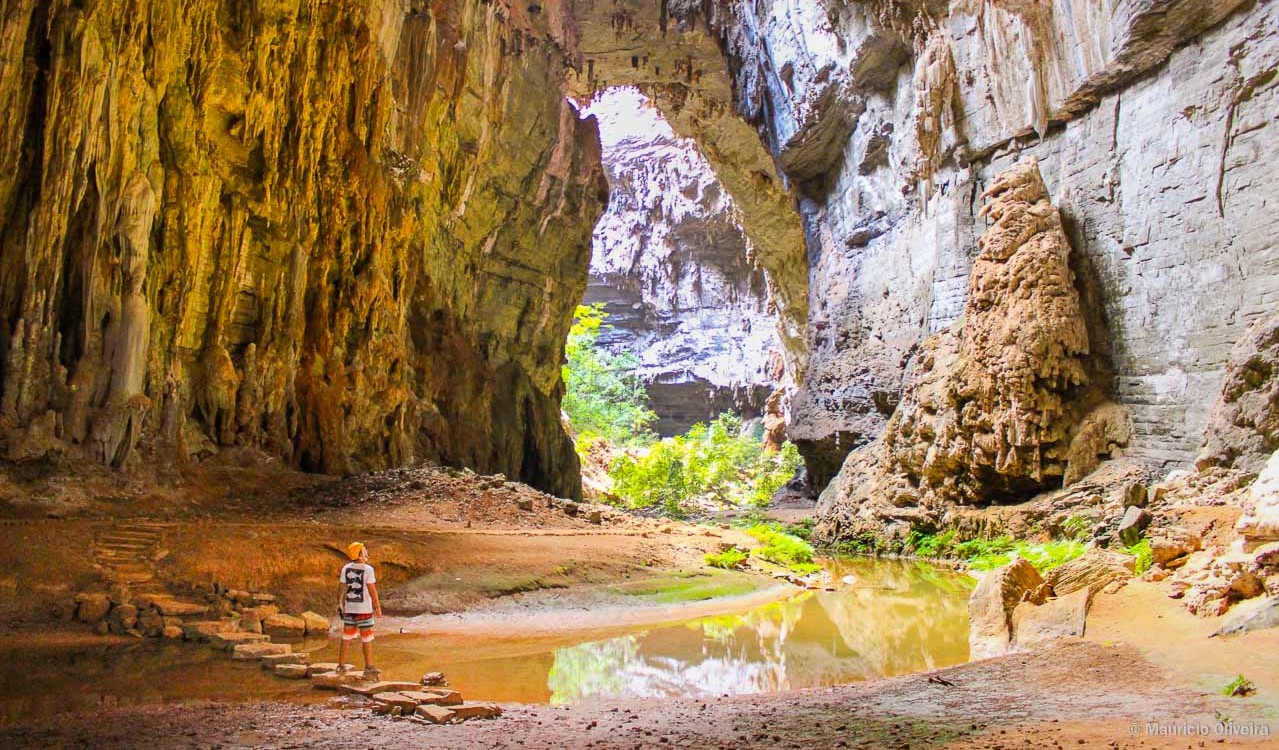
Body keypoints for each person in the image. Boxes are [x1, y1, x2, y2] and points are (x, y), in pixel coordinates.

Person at [337, 541, 382, 679]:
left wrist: (340, 602)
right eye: (364, 550)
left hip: (350, 608)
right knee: (366, 638)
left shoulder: (346, 568)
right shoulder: (368, 569)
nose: (366, 551)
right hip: (364, 609)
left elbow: (342, 587)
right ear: (360, 554)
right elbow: (372, 590)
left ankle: (341, 664)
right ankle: (368, 666)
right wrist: (377, 607)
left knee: (346, 637)